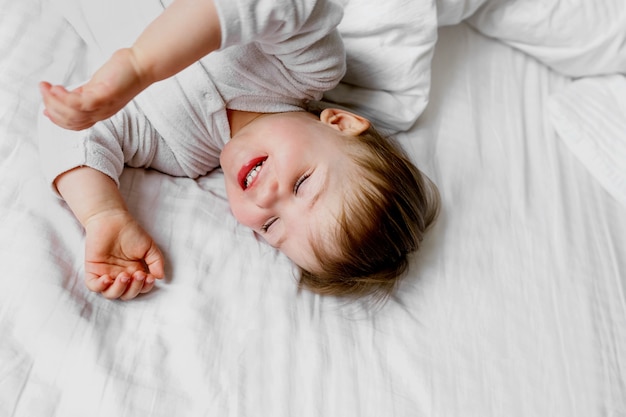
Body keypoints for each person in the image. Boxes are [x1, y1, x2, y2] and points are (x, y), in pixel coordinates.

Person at [39, 0, 440, 301]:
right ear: (340, 123)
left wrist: (102, 213)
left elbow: (75, 134)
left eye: (271, 227)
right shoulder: (307, 69)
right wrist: (139, 65)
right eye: (302, 184)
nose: (267, 198)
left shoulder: (179, 152)